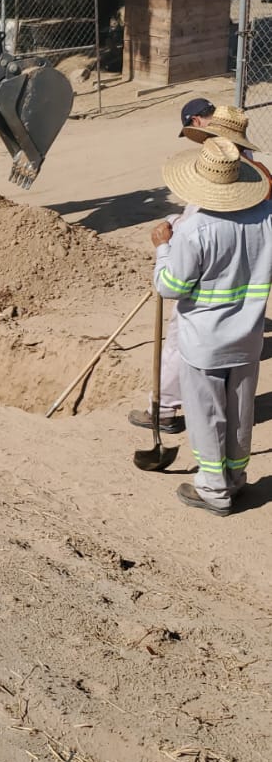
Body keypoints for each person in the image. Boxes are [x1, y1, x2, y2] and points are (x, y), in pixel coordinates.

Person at [152, 136, 272, 515]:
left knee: (206, 416)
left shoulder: (195, 229)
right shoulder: (266, 219)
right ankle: (236, 479)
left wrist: (162, 249)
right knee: (240, 413)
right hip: (248, 338)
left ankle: (213, 489)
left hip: (203, 342)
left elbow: (170, 287)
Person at [127, 98, 216, 435]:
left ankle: (163, 410)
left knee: (180, 338)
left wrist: (166, 245)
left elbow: (170, 286)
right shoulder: (245, 161)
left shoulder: (217, 163)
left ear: (196, 121)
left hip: (200, 271)